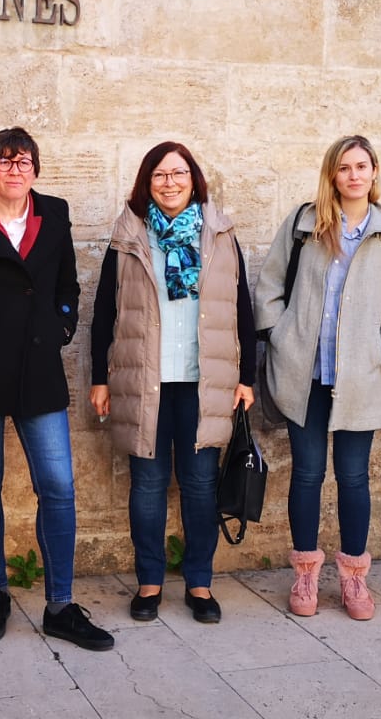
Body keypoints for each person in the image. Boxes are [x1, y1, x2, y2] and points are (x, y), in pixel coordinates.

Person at [0, 127, 113, 651]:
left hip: (37, 372)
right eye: (6, 161)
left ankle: (60, 604)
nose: (16, 169)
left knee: (57, 485)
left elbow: (66, 284)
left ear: (36, 169)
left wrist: (60, 325)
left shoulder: (53, 213)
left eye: (25, 161)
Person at [89, 141, 256, 625]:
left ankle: (200, 584)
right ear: (147, 181)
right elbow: (104, 311)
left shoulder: (220, 234)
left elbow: (241, 308)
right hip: (146, 383)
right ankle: (150, 582)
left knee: (201, 485)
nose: (169, 183)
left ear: (193, 180)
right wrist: (100, 378)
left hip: (204, 382)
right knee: (147, 484)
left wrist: (246, 379)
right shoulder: (129, 236)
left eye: (178, 174)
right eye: (160, 175)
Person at [255, 136, 381, 619]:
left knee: (353, 478)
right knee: (306, 475)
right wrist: (281, 336)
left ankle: (353, 581)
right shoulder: (305, 223)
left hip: (359, 379)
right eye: (344, 167)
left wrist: (377, 350)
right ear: (332, 174)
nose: (353, 175)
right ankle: (305, 574)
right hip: (306, 374)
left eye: (362, 166)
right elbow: (269, 285)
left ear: (374, 173)